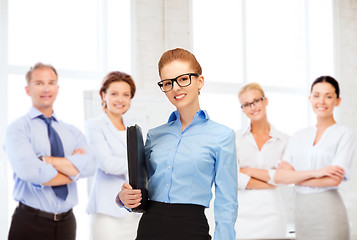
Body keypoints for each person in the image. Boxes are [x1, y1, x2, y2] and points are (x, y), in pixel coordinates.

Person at [116, 48, 238, 240]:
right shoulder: (155, 135)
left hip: (192, 229)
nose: (175, 88)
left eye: (183, 79)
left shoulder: (222, 136)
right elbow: (140, 189)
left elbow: (227, 201)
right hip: (149, 229)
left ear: (200, 81)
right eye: (168, 83)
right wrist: (123, 199)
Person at [4, 63, 95, 240]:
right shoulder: (17, 129)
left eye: (51, 82)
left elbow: (91, 165)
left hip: (67, 222)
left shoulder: (72, 131)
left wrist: (46, 160)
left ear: (57, 88)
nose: (46, 88)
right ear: (27, 89)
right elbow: (30, 171)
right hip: (30, 222)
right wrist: (74, 171)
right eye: (39, 83)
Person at [274, 76, 356, 240]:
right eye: (317, 95)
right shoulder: (298, 136)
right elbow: (280, 176)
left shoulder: (345, 135)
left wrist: (294, 177)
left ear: (337, 101)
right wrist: (319, 173)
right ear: (310, 98)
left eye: (329, 96)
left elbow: (333, 180)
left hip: (329, 210)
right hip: (302, 212)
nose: (322, 101)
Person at [85, 71, 141, 240]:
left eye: (126, 94)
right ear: (103, 95)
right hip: (107, 211)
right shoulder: (94, 126)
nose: (120, 100)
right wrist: (138, 164)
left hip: (134, 209)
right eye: (114, 94)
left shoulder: (135, 128)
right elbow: (107, 164)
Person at [235, 82, 288, 239]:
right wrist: (271, 180)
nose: (253, 107)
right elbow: (234, 177)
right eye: (246, 104)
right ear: (243, 109)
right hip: (242, 214)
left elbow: (286, 178)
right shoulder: (235, 139)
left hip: (273, 214)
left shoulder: (284, 140)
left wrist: (248, 171)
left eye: (256, 101)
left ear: (265, 101)